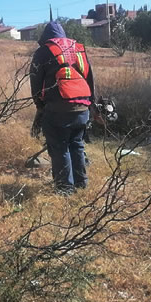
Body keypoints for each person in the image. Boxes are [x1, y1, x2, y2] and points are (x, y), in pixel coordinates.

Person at [30, 21, 99, 194]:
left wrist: (40, 106)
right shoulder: (78, 49)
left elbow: (35, 81)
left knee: (60, 147)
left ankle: (65, 189)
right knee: (76, 144)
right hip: (83, 106)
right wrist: (91, 104)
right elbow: (89, 78)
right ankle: (81, 184)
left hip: (57, 109)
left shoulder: (43, 52)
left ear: (46, 37)